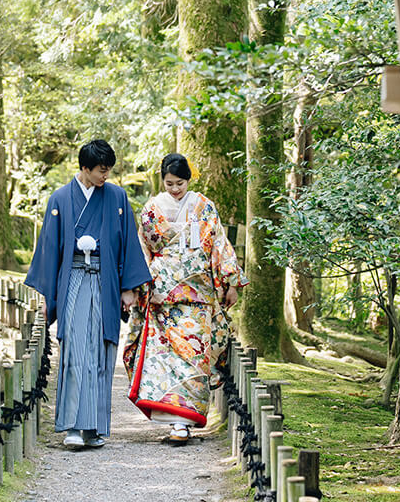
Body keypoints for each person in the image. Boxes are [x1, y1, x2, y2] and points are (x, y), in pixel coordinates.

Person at [26, 139, 152, 449]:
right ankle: (73, 425)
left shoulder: (118, 198)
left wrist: (127, 288)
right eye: (100, 170)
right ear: (84, 168)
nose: (105, 176)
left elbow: (128, 246)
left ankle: (93, 427)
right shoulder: (60, 199)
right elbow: (49, 250)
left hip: (105, 281)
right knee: (76, 351)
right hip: (74, 281)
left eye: (108, 170)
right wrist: (48, 296)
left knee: (101, 352)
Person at [124, 152, 247, 442]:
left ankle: (185, 421)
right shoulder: (152, 208)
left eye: (179, 183)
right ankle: (173, 419)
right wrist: (140, 283)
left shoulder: (204, 206)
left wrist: (229, 282)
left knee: (195, 354)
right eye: (169, 184)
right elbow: (144, 249)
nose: (175, 189)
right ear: (162, 181)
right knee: (165, 355)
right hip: (162, 292)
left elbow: (219, 244)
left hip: (198, 292)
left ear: (188, 180)